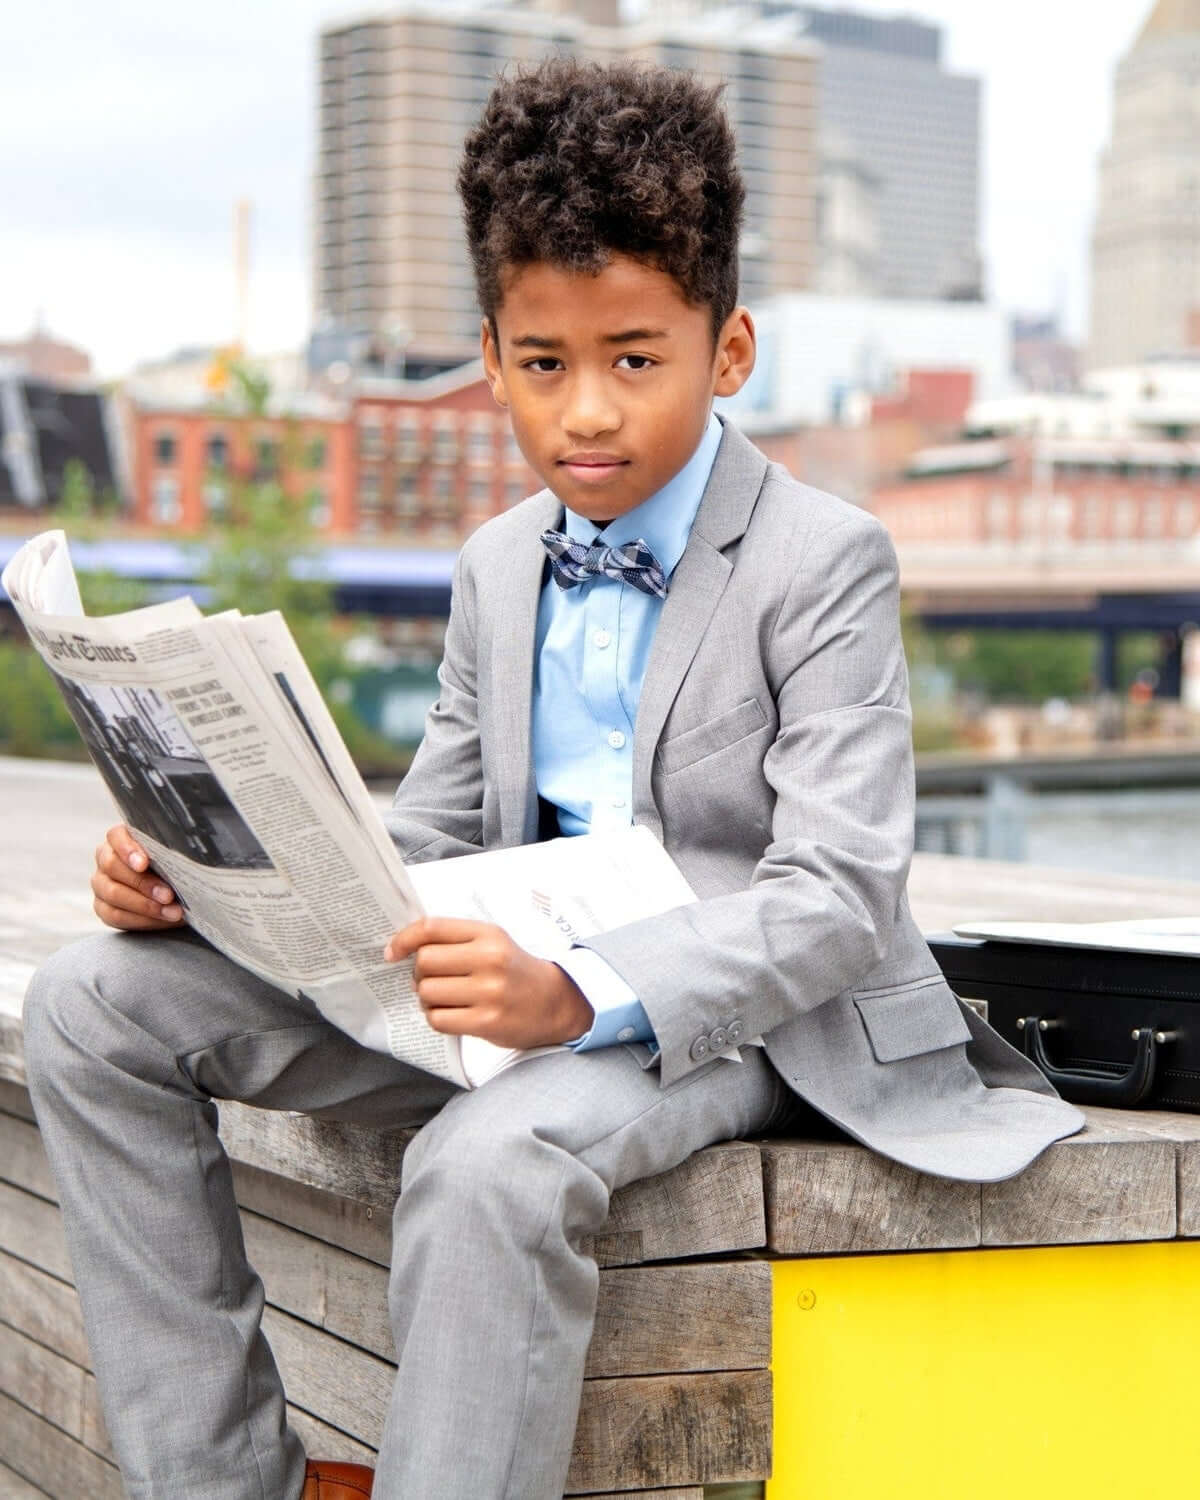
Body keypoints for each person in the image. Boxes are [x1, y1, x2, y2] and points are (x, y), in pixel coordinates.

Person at [22, 57, 1083, 1500]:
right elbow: (435, 836)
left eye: (633, 359)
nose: (585, 411)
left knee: (487, 1163)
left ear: (729, 351)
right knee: (92, 1004)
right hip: (503, 992)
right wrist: (206, 879)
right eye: (542, 364)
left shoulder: (823, 560)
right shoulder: (496, 564)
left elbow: (836, 896)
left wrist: (583, 995)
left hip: (729, 1021)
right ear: (495, 350)